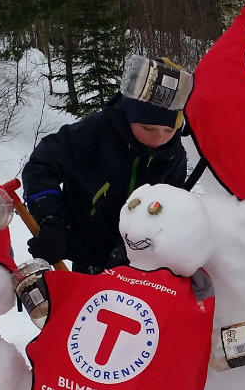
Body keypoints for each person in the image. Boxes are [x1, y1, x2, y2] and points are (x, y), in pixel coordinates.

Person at [20, 92, 188, 273]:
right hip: (86, 246)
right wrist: (51, 220)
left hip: (138, 262)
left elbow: (168, 211)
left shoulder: (173, 155)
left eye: (169, 130)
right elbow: (42, 165)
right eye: (148, 128)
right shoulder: (95, 132)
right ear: (129, 116)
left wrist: (133, 251)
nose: (158, 139)